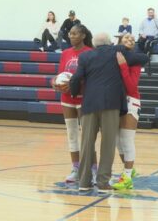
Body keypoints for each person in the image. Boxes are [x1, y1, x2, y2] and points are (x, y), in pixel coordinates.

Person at [69, 33, 148, 193]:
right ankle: (103, 182)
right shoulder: (117, 51)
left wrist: (73, 92)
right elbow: (143, 58)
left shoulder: (85, 56)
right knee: (108, 143)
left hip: (89, 103)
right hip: (111, 104)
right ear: (110, 43)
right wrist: (125, 60)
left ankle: (84, 182)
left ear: (93, 44)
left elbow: (76, 78)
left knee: (86, 143)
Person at [52, 24, 94, 183]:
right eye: (70, 33)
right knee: (72, 134)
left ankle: (92, 169)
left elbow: (92, 77)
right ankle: (75, 169)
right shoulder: (65, 53)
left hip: (84, 99)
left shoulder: (90, 53)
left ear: (83, 36)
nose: (71, 36)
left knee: (87, 136)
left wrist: (76, 84)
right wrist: (55, 82)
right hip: (67, 99)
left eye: (75, 33)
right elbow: (61, 74)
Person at [112, 34, 142, 190]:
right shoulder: (111, 58)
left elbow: (131, 86)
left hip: (131, 101)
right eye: (126, 38)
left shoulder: (135, 62)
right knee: (117, 142)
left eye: (132, 39)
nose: (130, 40)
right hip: (115, 101)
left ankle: (127, 177)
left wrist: (123, 66)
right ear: (119, 41)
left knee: (127, 140)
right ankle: (129, 170)